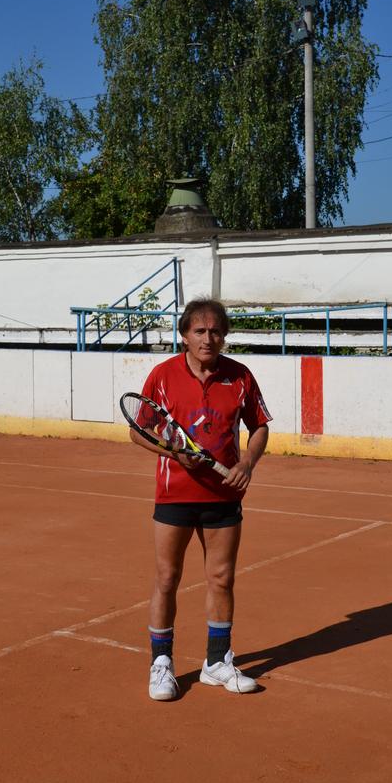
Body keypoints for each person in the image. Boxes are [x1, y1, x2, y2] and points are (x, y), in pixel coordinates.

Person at [129, 297, 272, 701]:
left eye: (215, 331)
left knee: (222, 578)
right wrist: (174, 454)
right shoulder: (163, 375)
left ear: (224, 336)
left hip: (224, 496)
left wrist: (247, 461)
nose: (208, 339)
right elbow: (138, 431)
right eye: (199, 331)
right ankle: (161, 664)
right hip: (174, 496)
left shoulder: (240, 377)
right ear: (184, 336)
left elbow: (260, 426)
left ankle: (216, 662)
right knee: (167, 578)